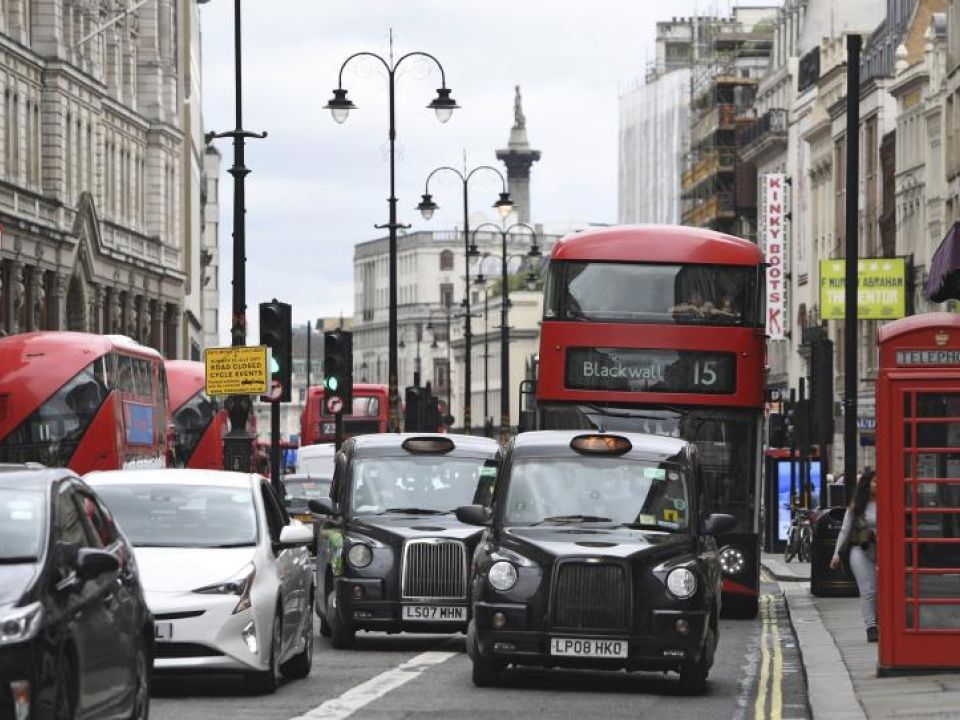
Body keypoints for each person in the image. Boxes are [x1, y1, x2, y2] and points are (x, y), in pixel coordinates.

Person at [830, 468, 878, 642]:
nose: (877, 485)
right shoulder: (857, 505)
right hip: (860, 550)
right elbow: (845, 530)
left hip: (883, 552)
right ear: (866, 485)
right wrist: (836, 555)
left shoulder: (888, 501)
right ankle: (871, 627)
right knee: (868, 590)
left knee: (881, 591)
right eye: (874, 482)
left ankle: (881, 622)